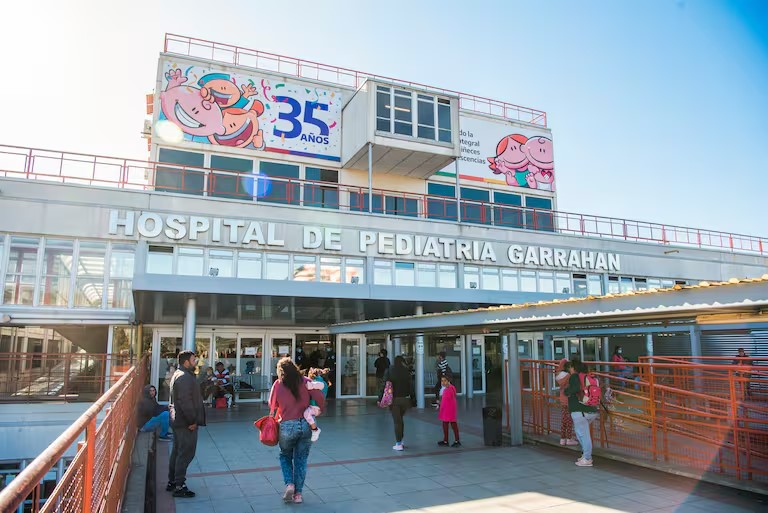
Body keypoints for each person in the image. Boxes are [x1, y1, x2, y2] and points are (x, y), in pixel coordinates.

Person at [269, 357, 325, 504]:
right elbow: (319, 395)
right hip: (306, 424)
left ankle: (290, 484)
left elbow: (271, 404)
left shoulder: (278, 384)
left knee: (285, 456)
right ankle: (298, 495)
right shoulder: (305, 381)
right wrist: (319, 410)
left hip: (287, 425)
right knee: (301, 460)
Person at [168, 350, 206, 498]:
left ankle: (173, 481)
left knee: (177, 452)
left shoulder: (181, 374)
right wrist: (192, 421)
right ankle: (179, 485)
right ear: (186, 362)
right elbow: (185, 402)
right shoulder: (184, 377)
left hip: (179, 421)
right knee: (185, 453)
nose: (195, 361)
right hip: (185, 423)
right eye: (193, 359)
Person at [565, 358, 599, 467]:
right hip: (590, 410)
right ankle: (585, 455)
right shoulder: (586, 377)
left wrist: (566, 391)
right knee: (580, 434)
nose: (569, 369)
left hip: (580, 410)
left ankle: (587, 458)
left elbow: (574, 388)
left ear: (574, 368)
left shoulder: (575, 376)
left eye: (570, 367)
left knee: (583, 435)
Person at [380, 355, 412, 451]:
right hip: (405, 399)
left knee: (397, 422)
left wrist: (379, 398)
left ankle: (398, 443)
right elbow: (411, 386)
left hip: (394, 400)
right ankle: (401, 441)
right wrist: (413, 399)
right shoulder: (406, 371)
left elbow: (384, 385)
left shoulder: (390, 370)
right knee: (400, 420)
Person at [303, 367, 330, 442]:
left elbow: (310, 385)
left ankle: (315, 429)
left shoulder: (321, 384)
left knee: (306, 414)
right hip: (315, 406)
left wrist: (302, 381)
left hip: (315, 407)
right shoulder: (323, 383)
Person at [555, 359, 578, 446]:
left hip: (562, 399)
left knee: (564, 419)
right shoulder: (569, 376)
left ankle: (562, 439)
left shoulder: (558, 376)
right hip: (570, 399)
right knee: (570, 420)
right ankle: (569, 439)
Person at [437, 375, 461, 447]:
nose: (443, 382)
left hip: (450, 409)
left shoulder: (450, 388)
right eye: (442, 381)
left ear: (448, 381)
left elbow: (450, 398)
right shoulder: (445, 389)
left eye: (445, 381)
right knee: (445, 424)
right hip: (445, 409)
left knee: (453, 424)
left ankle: (457, 440)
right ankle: (445, 440)